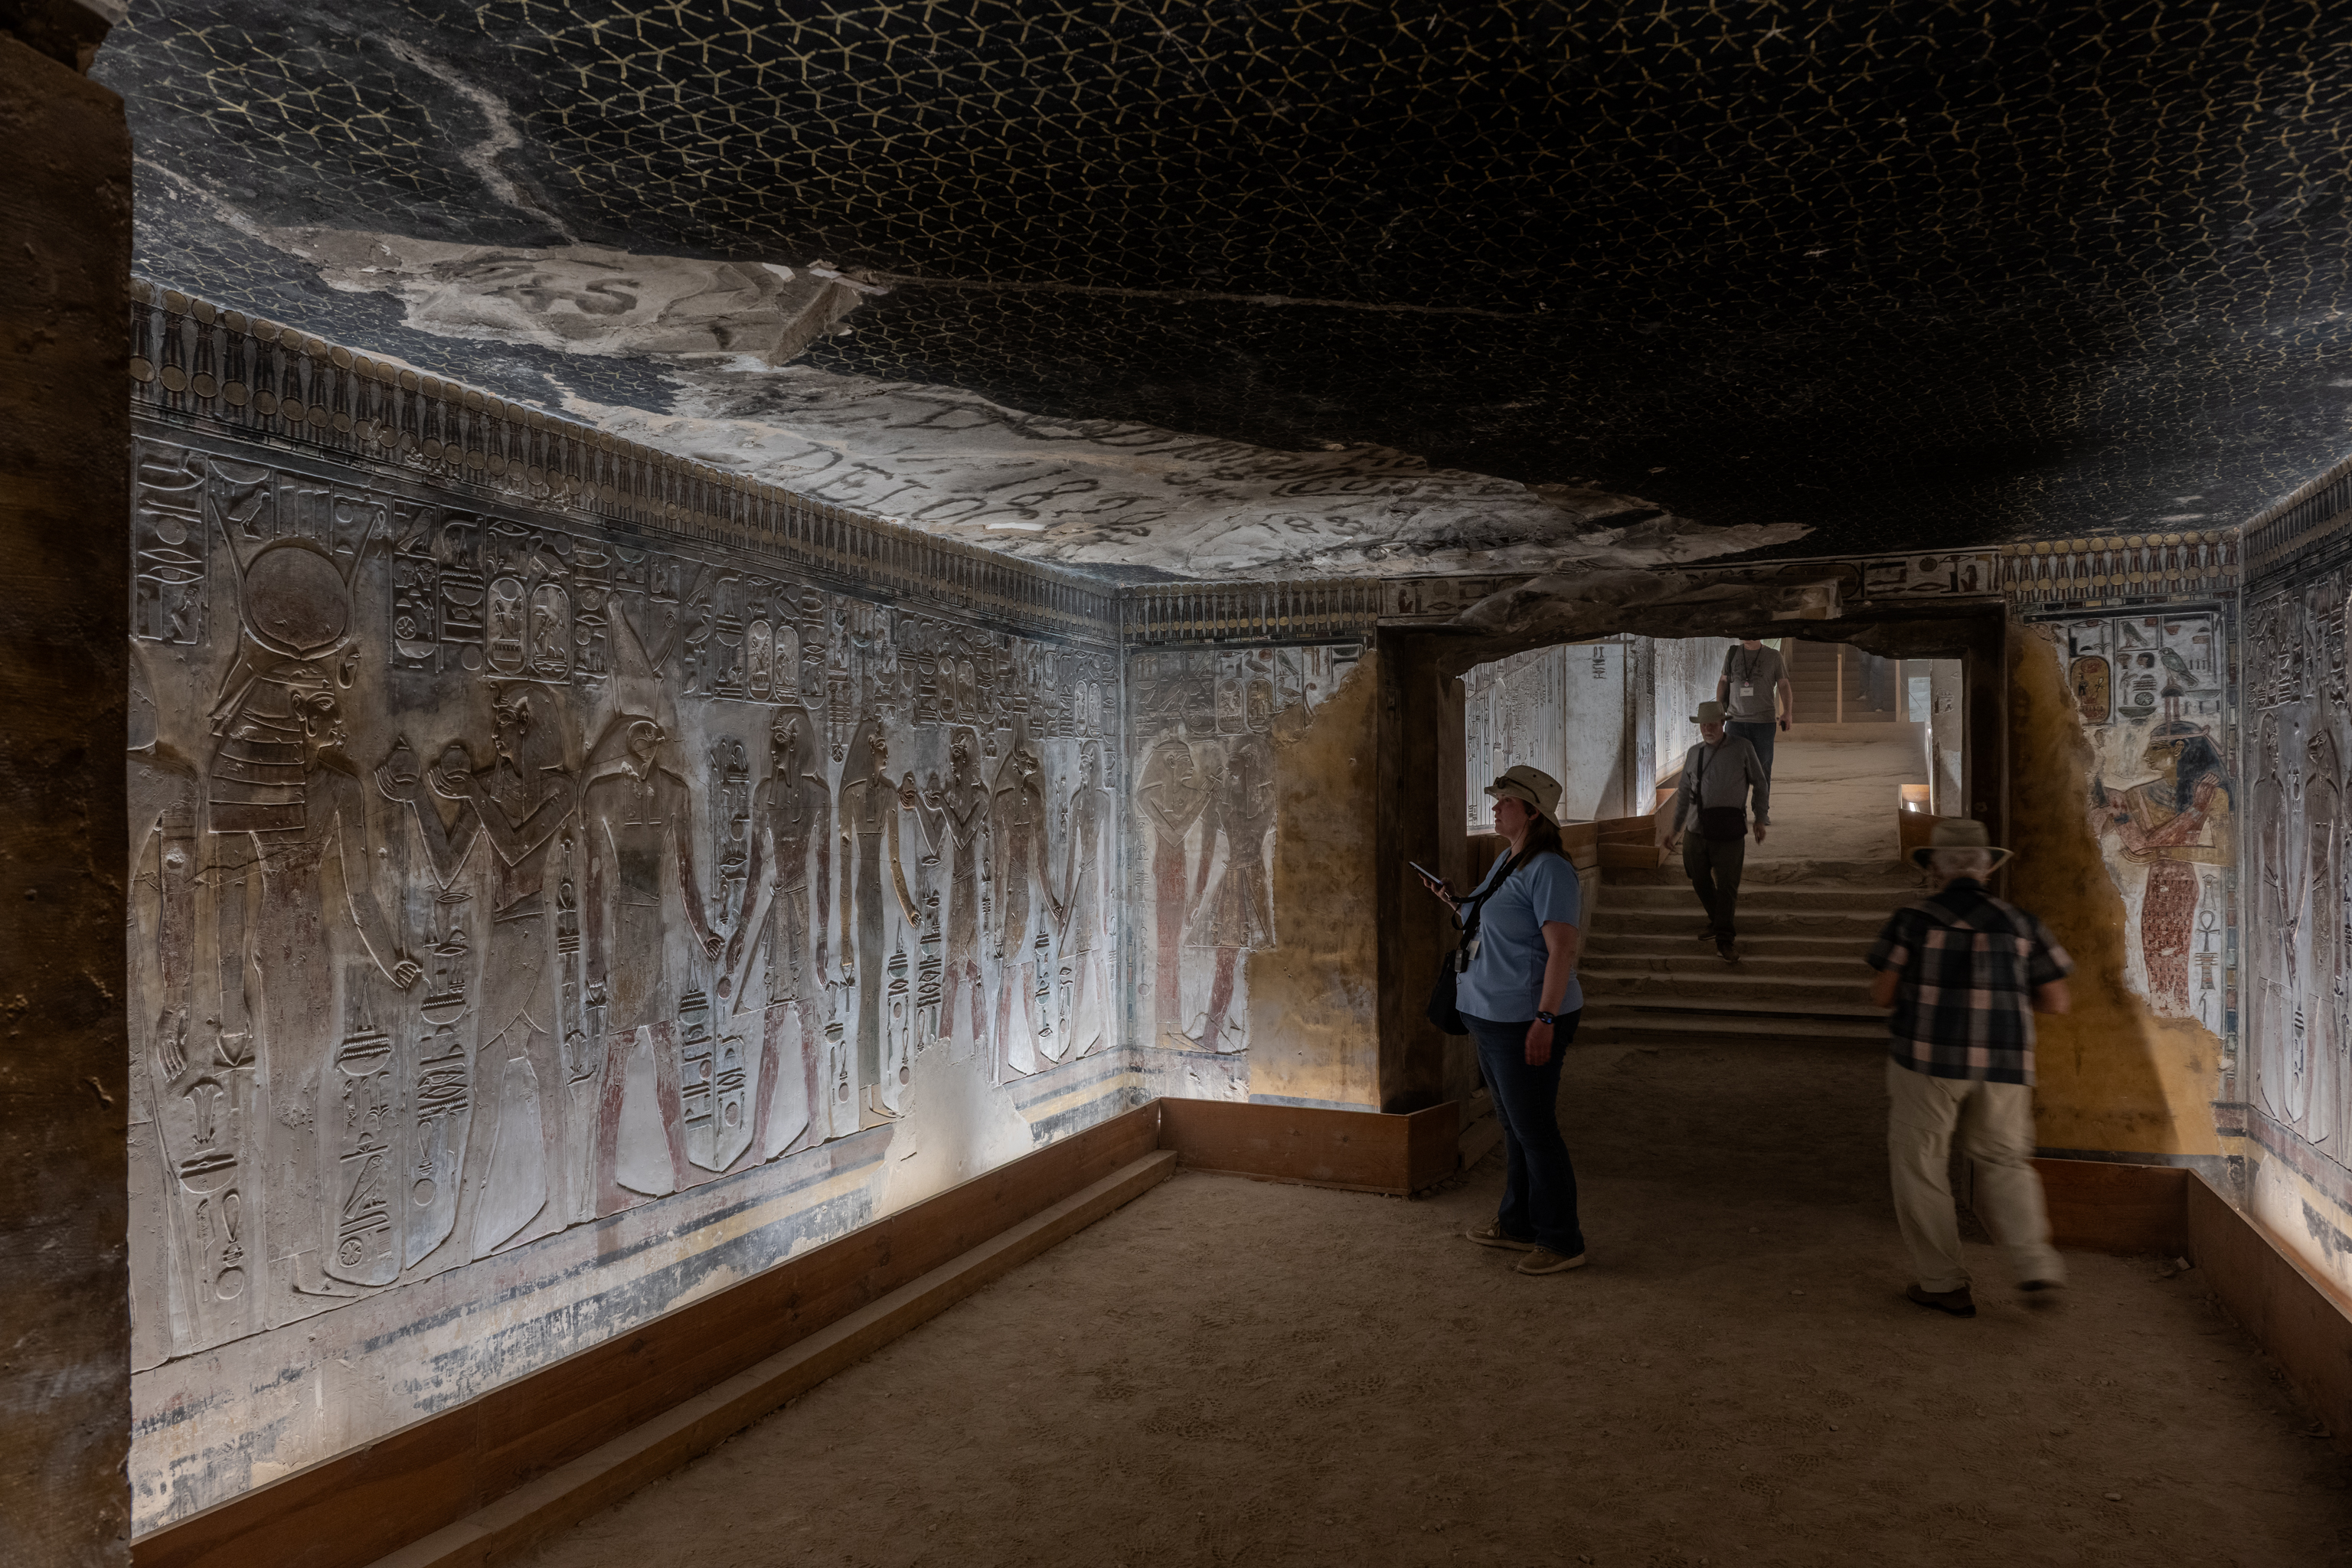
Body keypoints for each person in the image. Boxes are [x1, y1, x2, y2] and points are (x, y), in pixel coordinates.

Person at [1865, 818, 2074, 1318]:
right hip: (2005, 1062)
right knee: (2005, 1160)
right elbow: (2056, 1001)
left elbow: (1882, 996)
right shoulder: (2021, 923)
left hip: (1926, 1059)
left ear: (1936, 868)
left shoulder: (1912, 921)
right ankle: (2036, 1268)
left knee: (1921, 1163)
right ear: (1988, 868)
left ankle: (1943, 1283)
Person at [1414, 765, 1588, 1276]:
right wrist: (1453, 900)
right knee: (1514, 1124)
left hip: (1523, 1017)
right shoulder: (1509, 859)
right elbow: (1484, 921)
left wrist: (1546, 1018)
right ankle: (1518, 1223)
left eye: (1505, 800)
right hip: (1490, 1013)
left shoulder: (1550, 869)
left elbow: (1562, 950)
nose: (1495, 807)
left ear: (1531, 812)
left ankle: (1561, 1240)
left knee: (1535, 1129)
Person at [1657, 701, 1770, 962]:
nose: (1708, 729)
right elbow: (1684, 794)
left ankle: (1724, 940)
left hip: (1729, 830)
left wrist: (1760, 819)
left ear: (1723, 723)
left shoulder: (1742, 748)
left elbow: (1760, 783)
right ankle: (1718, 920)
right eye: (1703, 725)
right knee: (1697, 877)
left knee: (1728, 885)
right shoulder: (1694, 753)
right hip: (1696, 829)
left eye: (1712, 724)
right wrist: (1674, 829)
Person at [1716, 636, 1793, 775]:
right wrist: (1719, 710)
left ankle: (1761, 790)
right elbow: (1723, 681)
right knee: (1734, 769)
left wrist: (1787, 712)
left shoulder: (1774, 656)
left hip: (1763, 723)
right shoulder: (1732, 653)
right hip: (1735, 721)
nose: (1746, 637)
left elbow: (1784, 684)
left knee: (1762, 769)